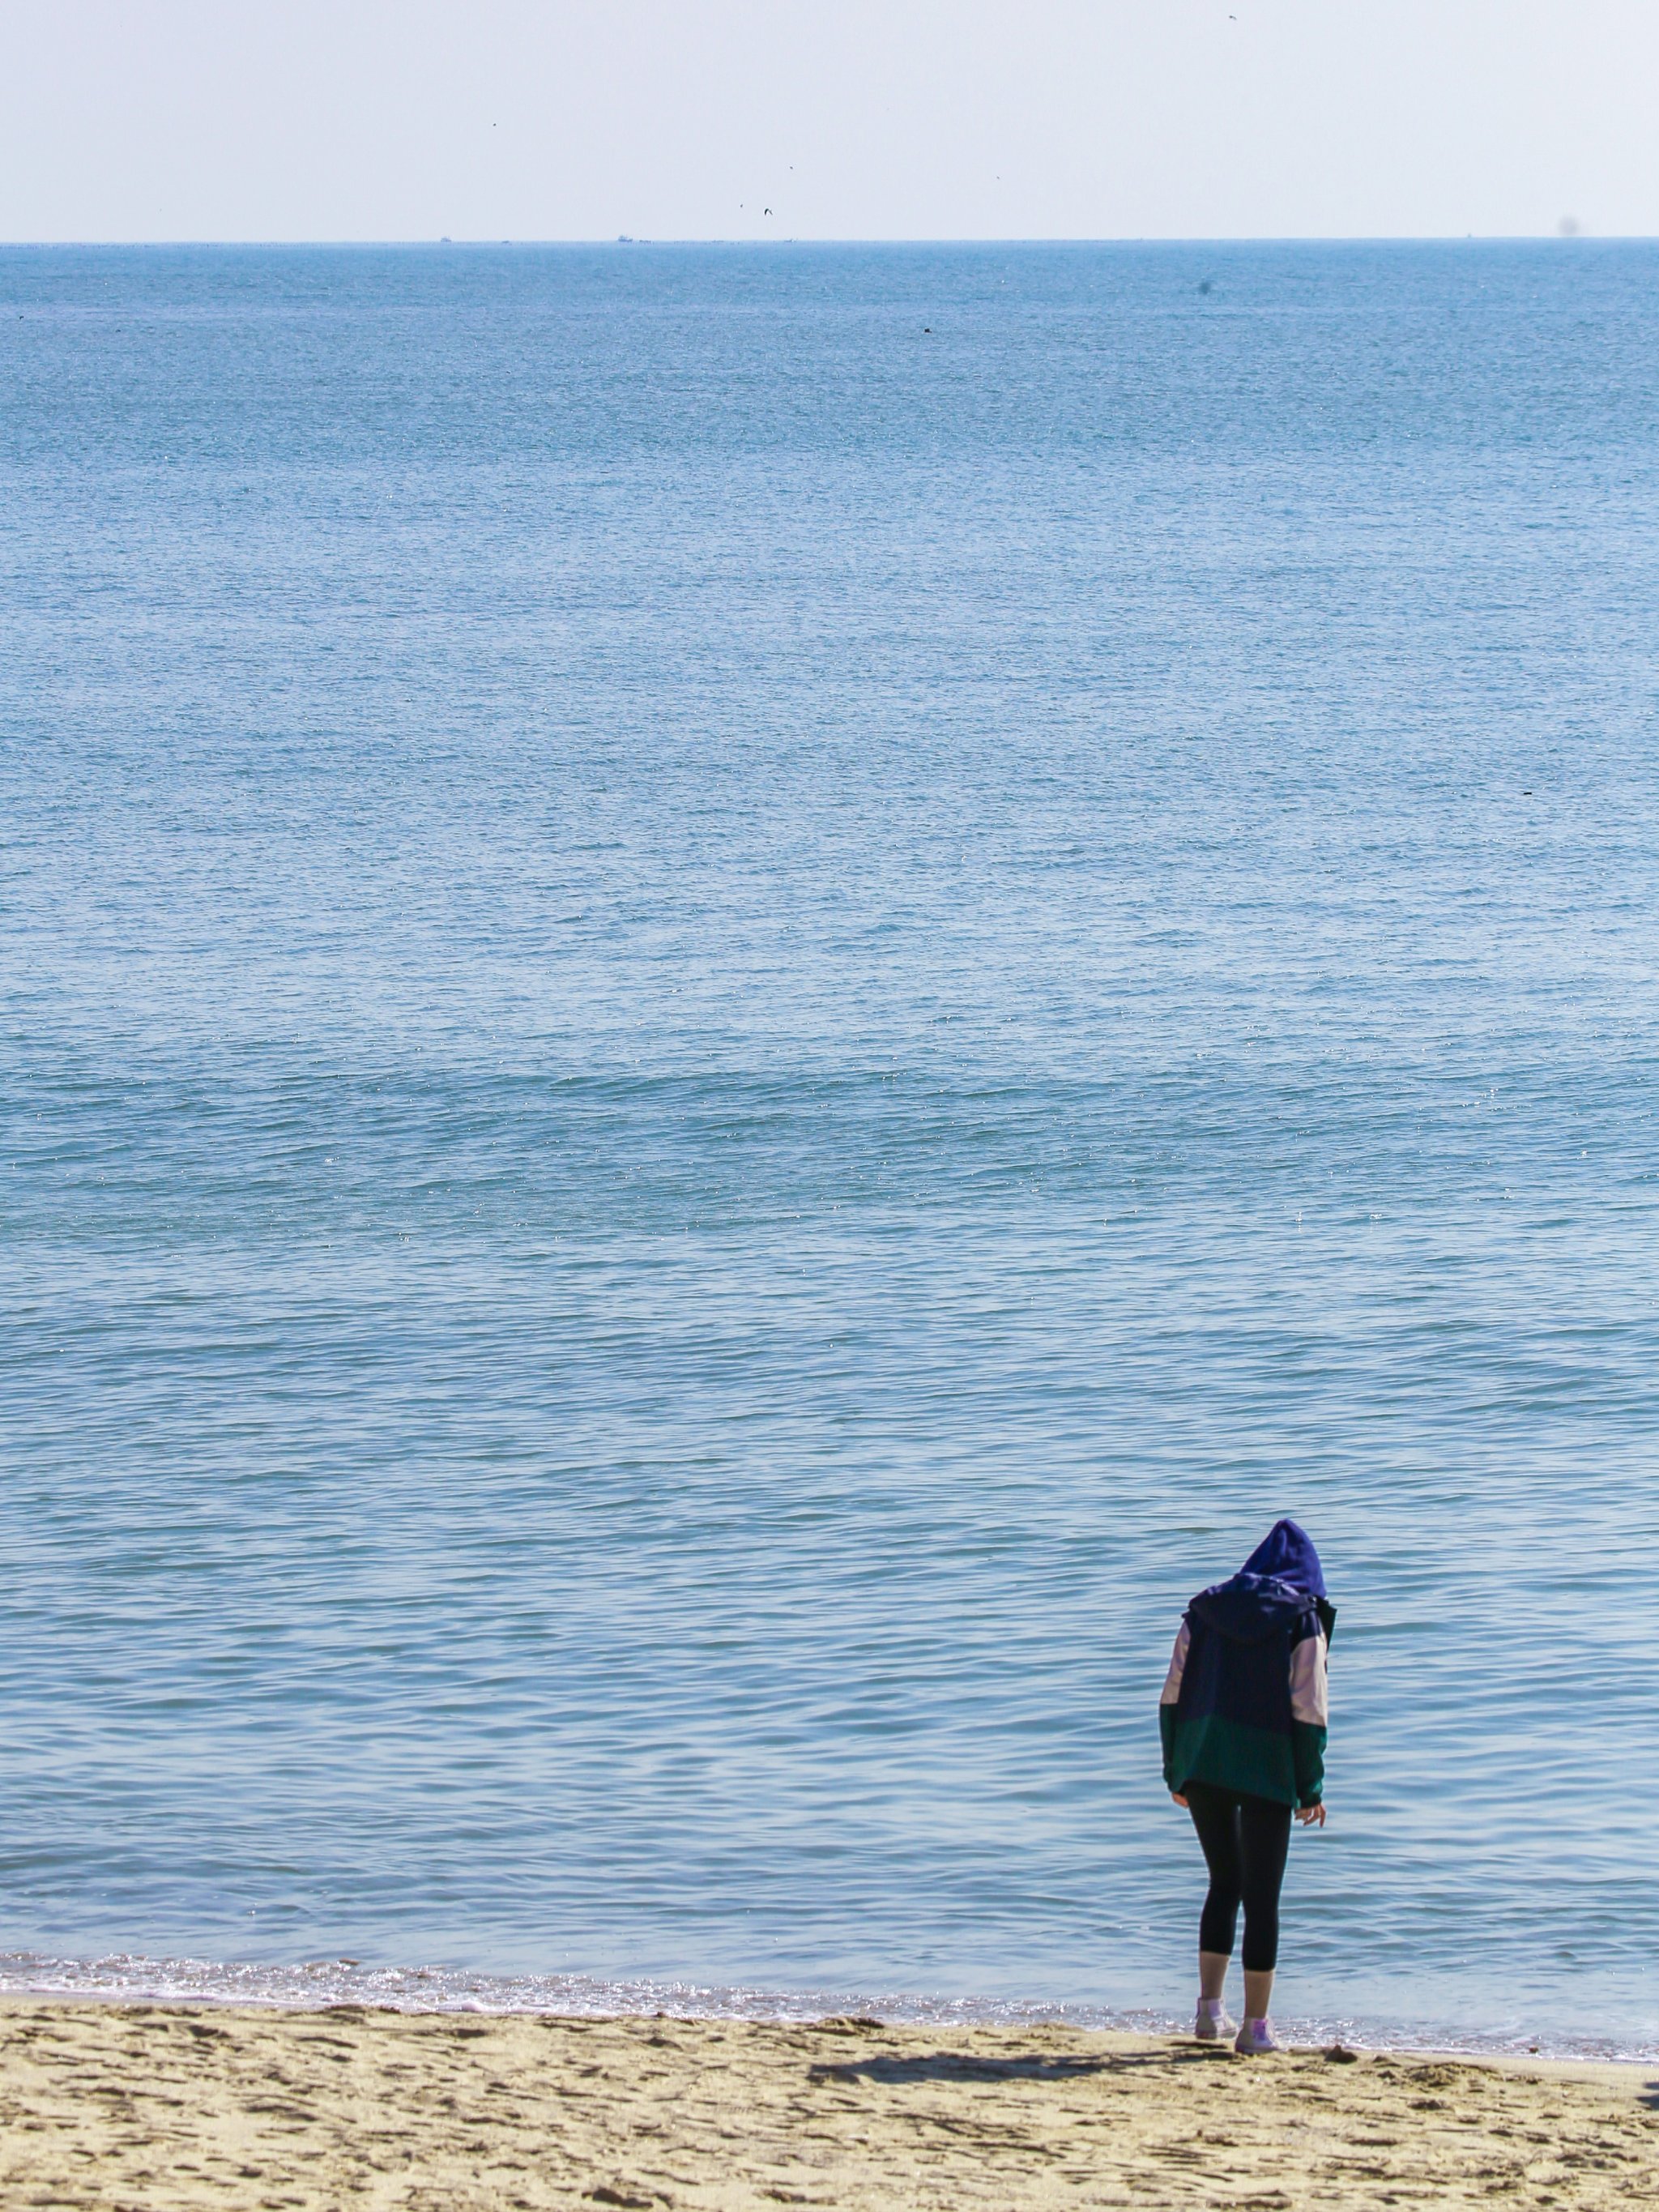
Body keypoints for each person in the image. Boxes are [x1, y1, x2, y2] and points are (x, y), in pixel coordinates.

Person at [1158, 1518, 1333, 2055]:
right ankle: (1256, 2029)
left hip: (1204, 1760)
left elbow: (1171, 1694)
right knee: (1262, 1896)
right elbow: (1309, 1711)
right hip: (1266, 1765)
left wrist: (1175, 1767)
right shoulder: (1302, 1620)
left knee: (1224, 1882)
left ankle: (1209, 2013)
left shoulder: (1204, 1612)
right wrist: (1310, 1786)